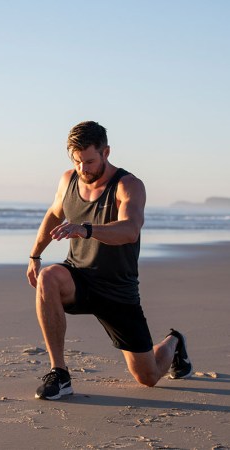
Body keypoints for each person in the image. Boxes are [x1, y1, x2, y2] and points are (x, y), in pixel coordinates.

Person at [27, 120, 192, 401]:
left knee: (148, 377)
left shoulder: (128, 185)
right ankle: (60, 373)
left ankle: (174, 342)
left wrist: (86, 229)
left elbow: (130, 230)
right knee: (49, 276)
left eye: (89, 161)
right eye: (77, 162)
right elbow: (54, 214)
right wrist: (35, 255)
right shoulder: (68, 180)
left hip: (117, 289)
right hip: (78, 277)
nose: (83, 169)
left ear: (106, 152)